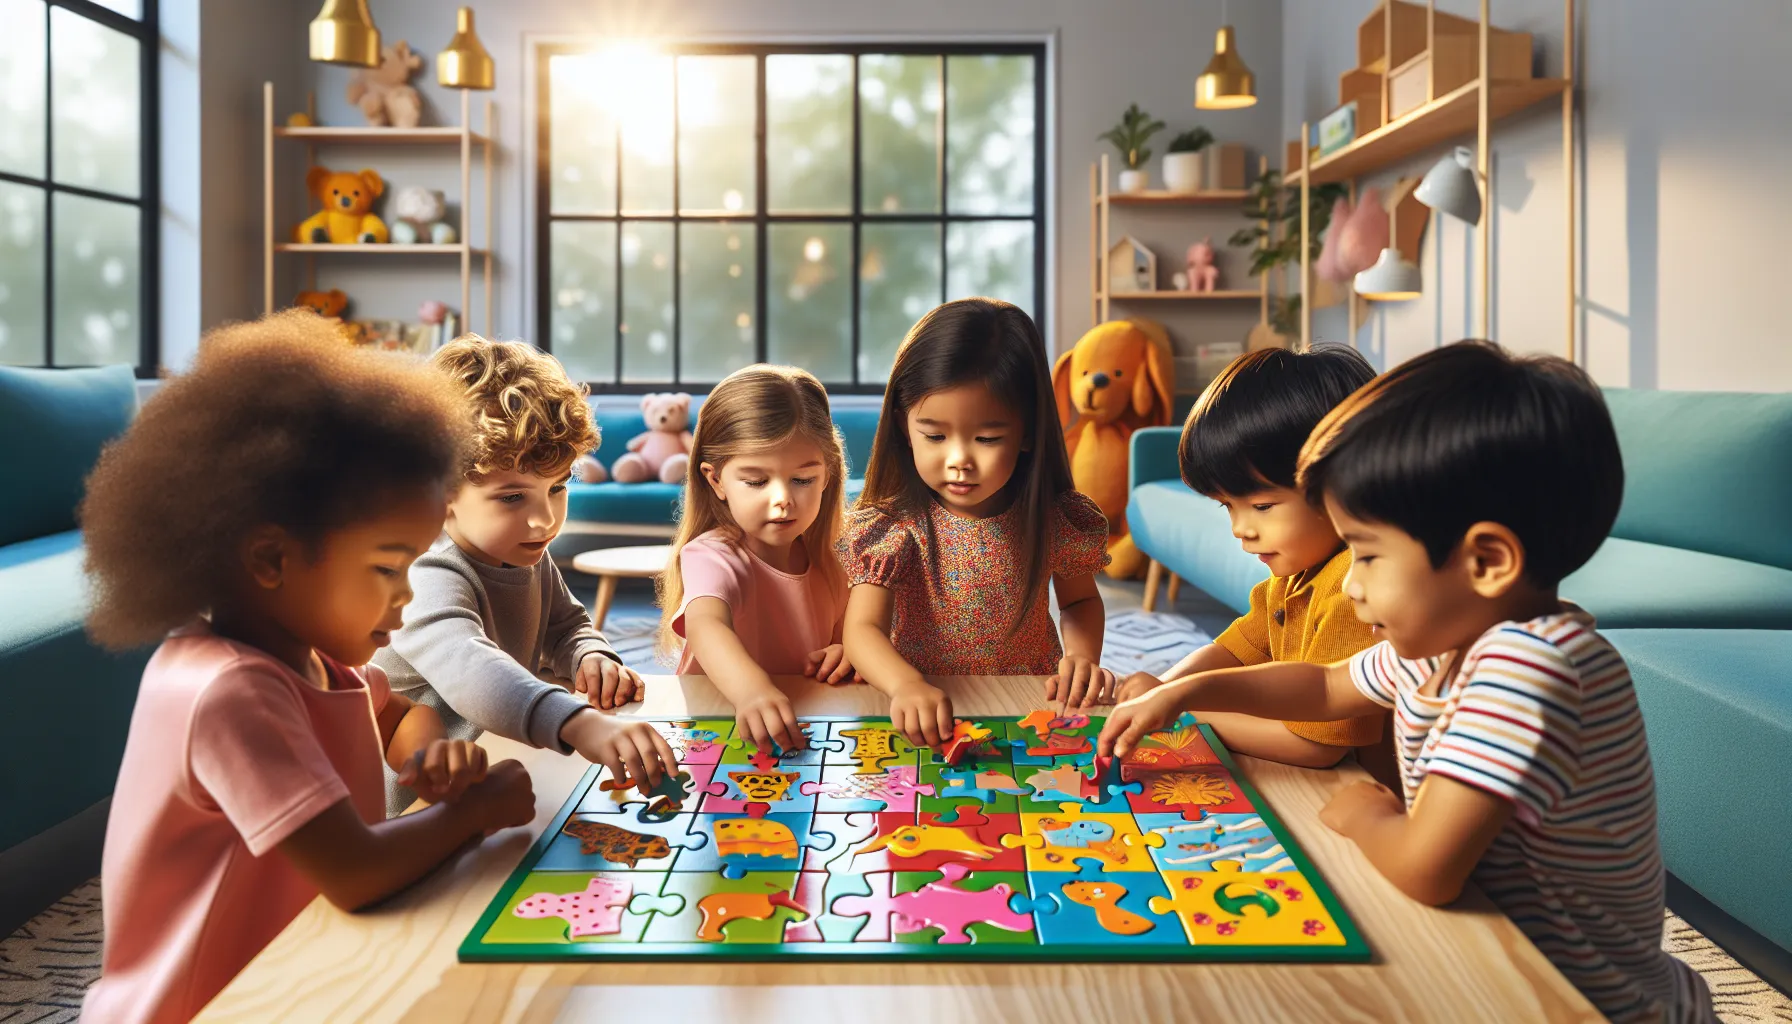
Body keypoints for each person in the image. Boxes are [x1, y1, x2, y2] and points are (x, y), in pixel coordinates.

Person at [1100, 340, 1715, 1024]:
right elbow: (1328, 687)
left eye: (1366, 554)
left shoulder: (1528, 668)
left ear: (1486, 561)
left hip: (1580, 1001)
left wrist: (1371, 816)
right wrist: (1186, 693)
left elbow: (1426, 866)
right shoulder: (1446, 642)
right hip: (1490, 955)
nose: (1352, 585)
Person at [78, 312, 535, 1024]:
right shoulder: (229, 688)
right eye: (387, 566)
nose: (408, 592)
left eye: (414, 565)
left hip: (298, 973)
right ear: (270, 559)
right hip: (203, 1006)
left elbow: (392, 714)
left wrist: (426, 760)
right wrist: (473, 811)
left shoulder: (313, 657)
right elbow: (354, 871)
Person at [373, 336, 676, 814]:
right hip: (408, 814)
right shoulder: (425, 569)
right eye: (513, 497)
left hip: (491, 778)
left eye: (557, 488)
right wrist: (579, 723)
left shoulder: (523, 550)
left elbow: (565, 624)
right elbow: (471, 669)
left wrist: (588, 656)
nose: (545, 520)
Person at [841, 298, 1113, 748]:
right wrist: (903, 684)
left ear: (1027, 432)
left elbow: (1079, 601)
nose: (959, 460)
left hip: (1028, 705)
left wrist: (1082, 657)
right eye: (934, 436)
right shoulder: (893, 527)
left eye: (987, 438)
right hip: (921, 710)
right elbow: (862, 629)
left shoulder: (1055, 520)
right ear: (903, 428)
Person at [1115, 345, 1385, 767]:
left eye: (1261, 506)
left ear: (1346, 483)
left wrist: (1181, 711)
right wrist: (1164, 688)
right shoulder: (1295, 574)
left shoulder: (1356, 585)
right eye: (1227, 506)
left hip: (1367, 799)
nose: (1241, 528)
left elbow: (1317, 748)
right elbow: (1238, 648)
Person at [657, 365, 856, 752]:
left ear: (827, 474)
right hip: (718, 734)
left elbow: (846, 638)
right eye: (757, 481)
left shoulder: (834, 559)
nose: (783, 498)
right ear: (716, 481)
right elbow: (706, 626)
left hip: (804, 730)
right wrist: (752, 691)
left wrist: (845, 653)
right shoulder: (711, 555)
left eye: (802, 480)